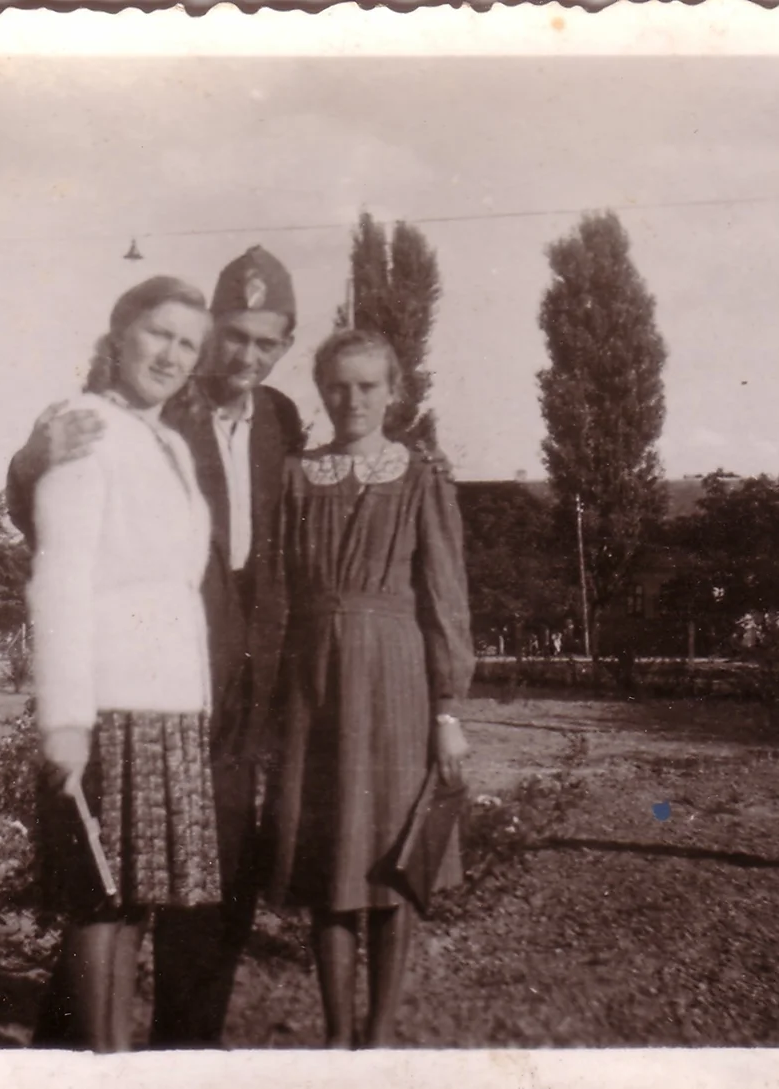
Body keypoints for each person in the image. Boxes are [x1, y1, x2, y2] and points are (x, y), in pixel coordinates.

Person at [12, 245, 303, 1047]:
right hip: (129, 682)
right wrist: (35, 458)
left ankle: (183, 1052)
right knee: (110, 892)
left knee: (197, 887)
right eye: (231, 336)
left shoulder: (277, 421)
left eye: (266, 341)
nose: (244, 356)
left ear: (285, 346)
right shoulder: (140, 414)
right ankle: (77, 1053)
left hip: (216, 690)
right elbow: (57, 540)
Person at [27, 275, 221, 1053]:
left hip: (168, 698)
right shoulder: (83, 426)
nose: (172, 355)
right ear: (119, 335)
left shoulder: (168, 442)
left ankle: (109, 1056)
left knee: (136, 897)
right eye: (158, 334)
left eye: (188, 344)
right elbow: (60, 576)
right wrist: (66, 720)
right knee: (98, 898)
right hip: (108, 698)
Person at [265, 328, 475, 1049]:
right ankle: (337, 1037)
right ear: (320, 391)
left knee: (392, 859)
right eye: (337, 385)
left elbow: (445, 598)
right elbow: (274, 592)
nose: (351, 399)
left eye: (367, 386)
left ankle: (379, 1037)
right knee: (328, 861)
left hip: (395, 686)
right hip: (313, 688)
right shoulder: (296, 476)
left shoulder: (421, 477)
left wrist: (447, 711)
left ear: (394, 393)